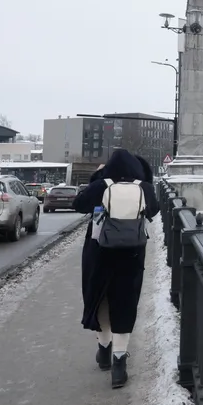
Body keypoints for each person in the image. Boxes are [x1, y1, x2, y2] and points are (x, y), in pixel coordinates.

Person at [73, 149, 159, 388]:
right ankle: (119, 364)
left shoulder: (102, 184)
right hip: (132, 253)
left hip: (98, 252)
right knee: (125, 302)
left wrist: (97, 178)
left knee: (99, 298)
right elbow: (154, 211)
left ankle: (103, 350)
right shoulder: (145, 187)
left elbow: (78, 204)